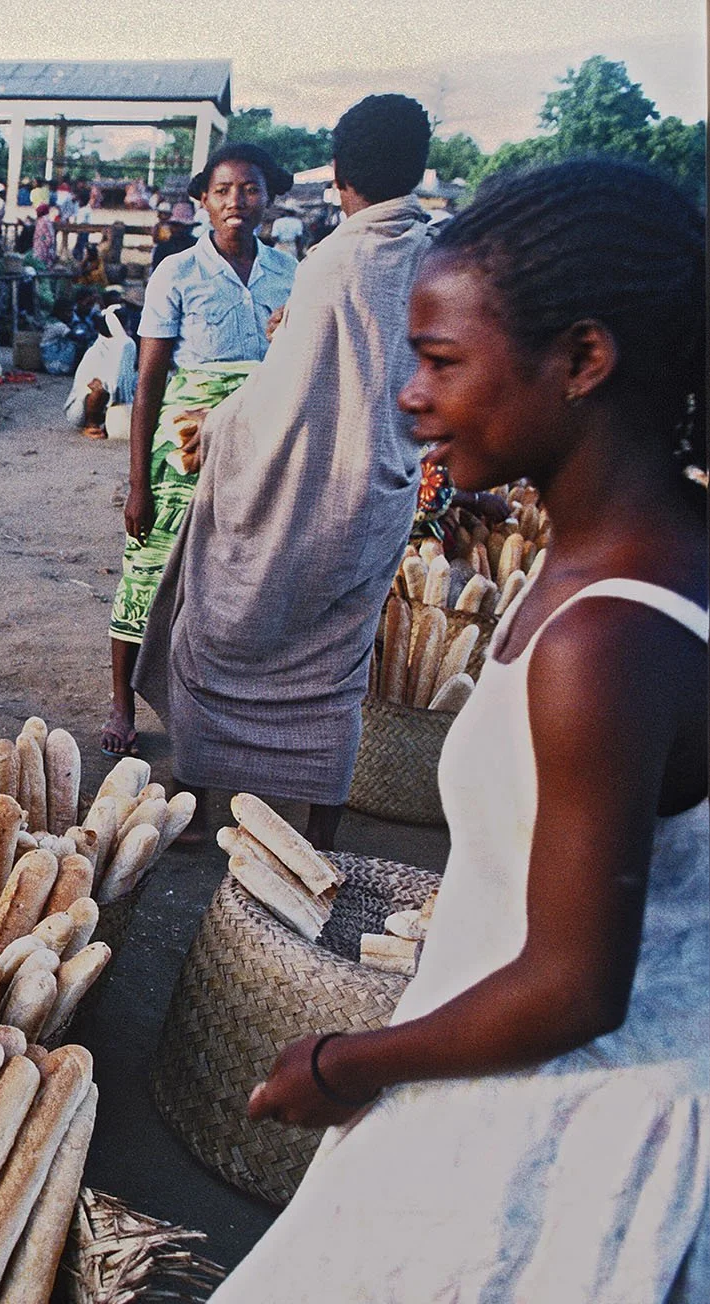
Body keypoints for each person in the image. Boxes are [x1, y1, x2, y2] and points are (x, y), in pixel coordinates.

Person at [215, 158, 707, 1304]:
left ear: (582, 360)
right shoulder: (619, 548)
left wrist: (342, 1061)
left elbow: (578, 984)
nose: (408, 394)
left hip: (578, 1121)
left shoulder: (610, 635)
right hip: (519, 1074)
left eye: (441, 360)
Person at [134, 94, 437, 849]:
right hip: (379, 497)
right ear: (419, 168)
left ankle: (199, 806)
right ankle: (319, 832)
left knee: (209, 634)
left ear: (337, 175)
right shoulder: (439, 255)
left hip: (303, 490)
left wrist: (217, 425)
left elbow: (285, 396)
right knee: (335, 673)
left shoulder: (331, 259)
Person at [105, 143, 297, 759]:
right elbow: (148, 386)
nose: (236, 201)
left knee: (239, 575)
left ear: (268, 197)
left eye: (249, 188)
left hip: (258, 445)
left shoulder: (289, 274)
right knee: (149, 569)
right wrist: (139, 483)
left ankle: (226, 707)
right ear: (204, 202)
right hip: (182, 449)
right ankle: (121, 699)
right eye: (222, 190)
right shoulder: (177, 274)